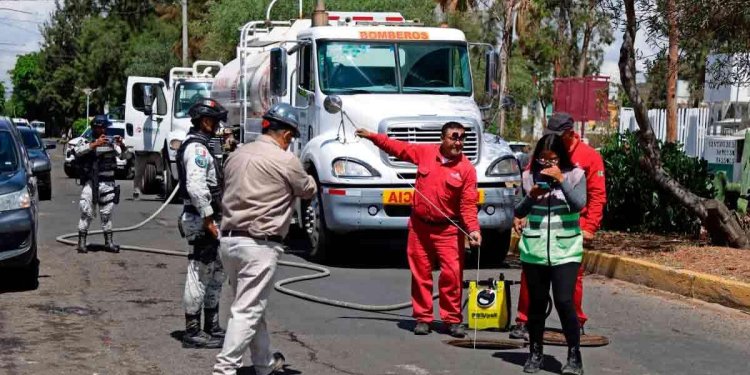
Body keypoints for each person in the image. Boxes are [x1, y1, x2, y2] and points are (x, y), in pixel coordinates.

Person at [213, 103, 316, 375]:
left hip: (229, 241)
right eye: (291, 137)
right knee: (247, 310)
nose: (290, 142)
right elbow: (307, 190)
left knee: (249, 305)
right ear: (285, 135)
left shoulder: (236, 155)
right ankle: (224, 369)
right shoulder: (285, 160)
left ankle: (264, 363)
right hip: (259, 245)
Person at [356, 122, 481, 338]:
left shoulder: (467, 169)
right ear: (443, 138)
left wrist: (474, 230)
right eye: (454, 137)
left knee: (452, 275)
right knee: (421, 274)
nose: (458, 142)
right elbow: (398, 147)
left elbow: (468, 205)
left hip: (448, 230)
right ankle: (423, 318)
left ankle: (452, 319)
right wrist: (372, 136)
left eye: (462, 138)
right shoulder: (425, 152)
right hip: (419, 227)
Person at [511, 112, 606, 340]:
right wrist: (521, 214)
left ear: (570, 133)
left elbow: (596, 195)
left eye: (557, 136)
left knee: (571, 284)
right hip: (539, 225)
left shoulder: (589, 157)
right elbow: (526, 187)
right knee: (531, 278)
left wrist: (590, 226)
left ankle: (574, 321)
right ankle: (524, 320)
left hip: (571, 226)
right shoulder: (542, 153)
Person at [515, 134, 586, 374]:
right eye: (543, 160)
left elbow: (579, 204)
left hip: (565, 249)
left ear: (561, 157)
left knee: (565, 301)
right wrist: (531, 196)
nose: (547, 165)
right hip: (534, 249)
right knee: (536, 303)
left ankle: (574, 356)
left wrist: (561, 180)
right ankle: (535, 353)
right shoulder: (527, 176)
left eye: (552, 160)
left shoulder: (576, 174)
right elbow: (517, 209)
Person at [176, 98, 228, 349]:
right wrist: (208, 218)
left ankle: (212, 325)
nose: (218, 127)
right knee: (199, 272)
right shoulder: (196, 149)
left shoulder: (204, 147)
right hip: (200, 219)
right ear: (206, 121)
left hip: (210, 218)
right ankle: (193, 330)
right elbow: (196, 188)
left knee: (216, 272)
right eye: (216, 122)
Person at [74, 115, 130, 254]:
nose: (104, 129)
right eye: (102, 127)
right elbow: (77, 151)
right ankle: (81, 243)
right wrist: (94, 144)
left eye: (106, 127)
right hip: (91, 182)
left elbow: (126, 157)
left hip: (108, 183)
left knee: (107, 214)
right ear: (95, 127)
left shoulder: (110, 143)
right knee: (86, 212)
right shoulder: (86, 141)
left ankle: (108, 243)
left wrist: (121, 145)